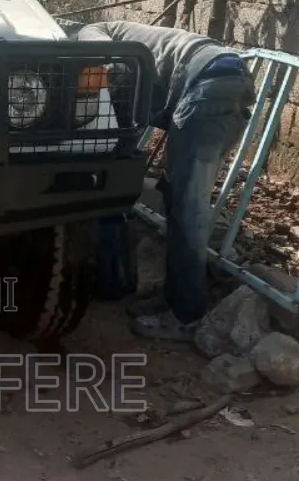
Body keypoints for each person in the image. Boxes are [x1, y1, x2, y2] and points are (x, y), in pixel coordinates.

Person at [77, 20, 256, 339]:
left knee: (188, 210)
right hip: (225, 80)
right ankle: (173, 299)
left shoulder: (87, 34)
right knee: (178, 197)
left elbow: (115, 89)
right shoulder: (117, 31)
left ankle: (185, 315)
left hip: (206, 85)